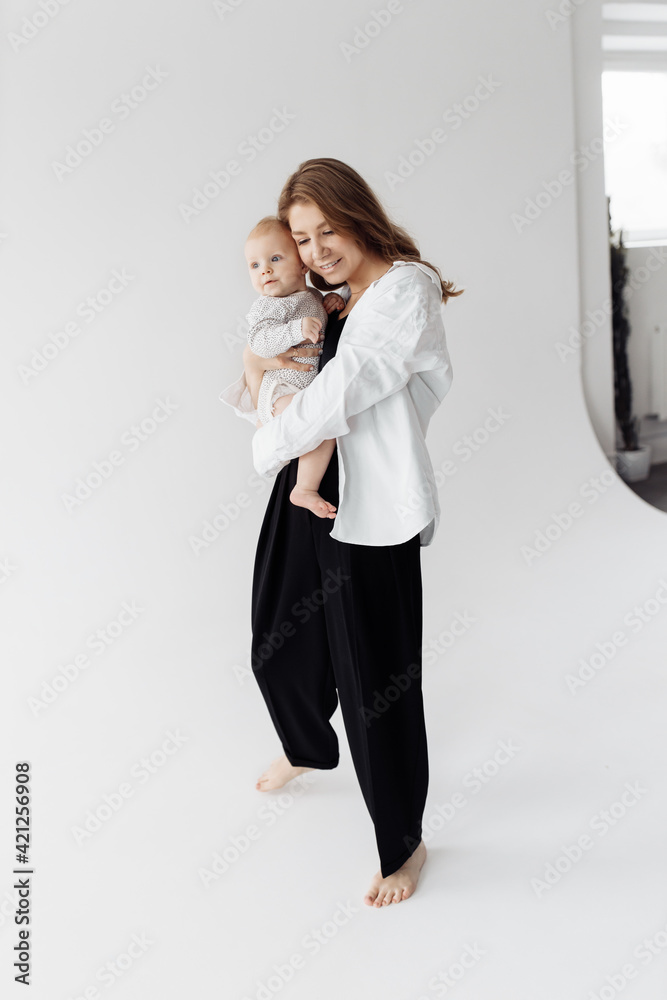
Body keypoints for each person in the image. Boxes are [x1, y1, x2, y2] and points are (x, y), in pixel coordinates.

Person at [219, 157, 462, 907]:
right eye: (301, 236)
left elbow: (345, 386)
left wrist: (270, 428)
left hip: (371, 509)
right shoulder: (329, 296)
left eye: (327, 229)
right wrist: (259, 368)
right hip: (307, 491)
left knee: (377, 687)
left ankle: (404, 842)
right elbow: (257, 375)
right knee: (273, 642)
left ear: (357, 214)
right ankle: (305, 745)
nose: (317, 248)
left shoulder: (404, 289)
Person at [234, 215, 348, 518]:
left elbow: (315, 317)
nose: (265, 270)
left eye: (274, 258)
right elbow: (259, 342)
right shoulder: (267, 305)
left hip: (300, 386)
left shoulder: (309, 297)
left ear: (301, 264)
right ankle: (304, 488)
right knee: (322, 418)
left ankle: (304, 486)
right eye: (254, 265)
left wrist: (329, 304)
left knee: (328, 423)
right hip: (280, 391)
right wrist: (296, 330)